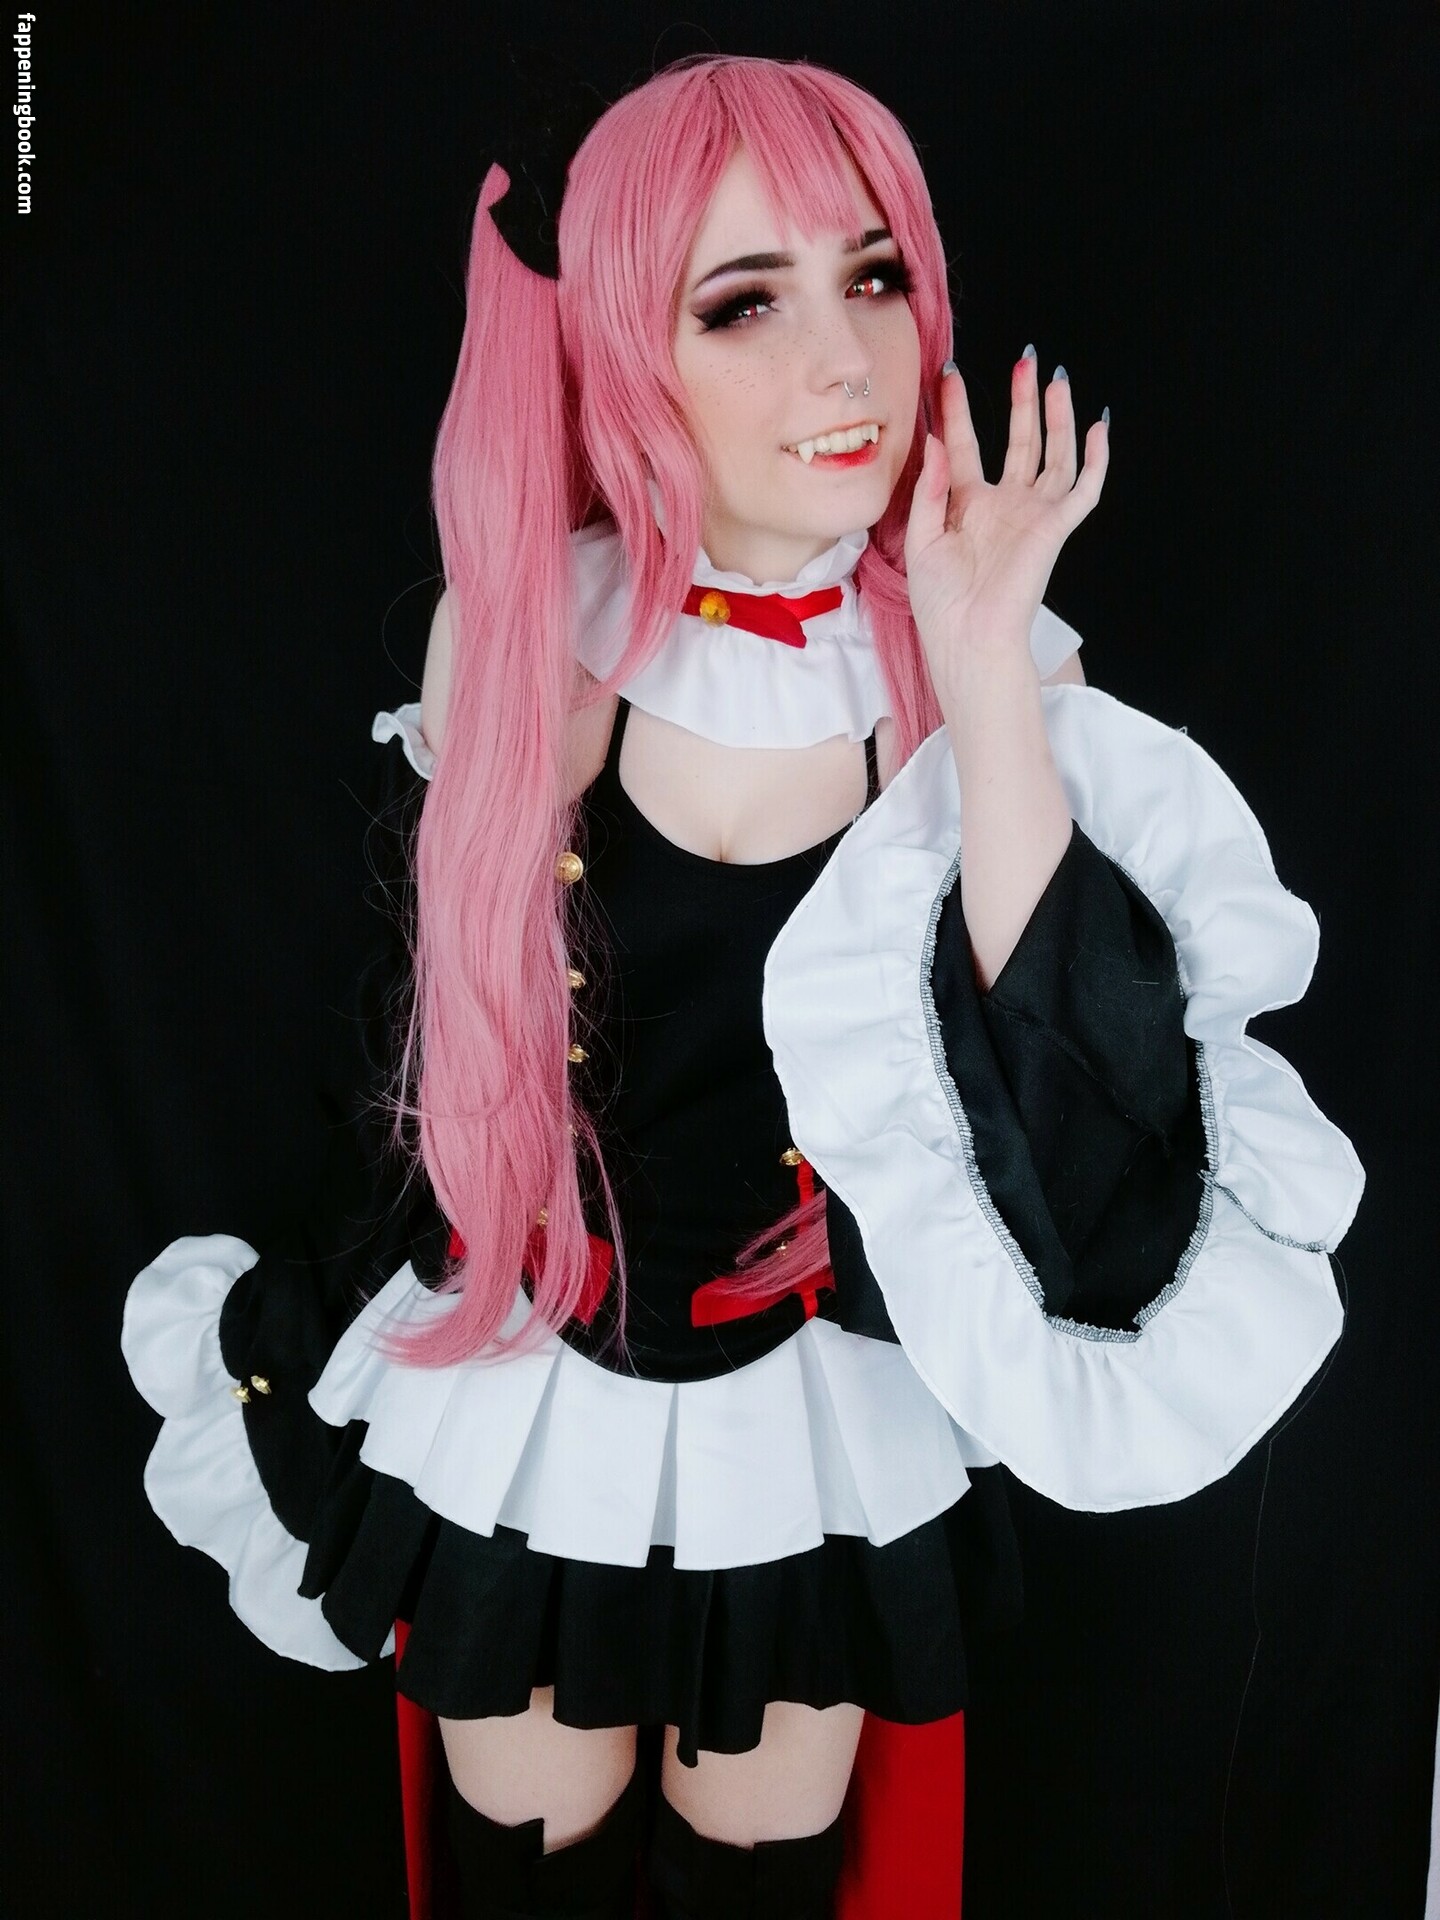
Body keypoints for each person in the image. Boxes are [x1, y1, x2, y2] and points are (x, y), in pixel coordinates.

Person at [121, 53, 1363, 1920]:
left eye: (875, 278)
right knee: (522, 1863)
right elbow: (432, 1038)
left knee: (767, 1876)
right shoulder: (529, 635)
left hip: (813, 1415)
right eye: (745, 304)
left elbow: (1077, 1079)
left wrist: (983, 659)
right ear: (630, 346)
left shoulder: (984, 660)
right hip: (534, 1392)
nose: (846, 363)